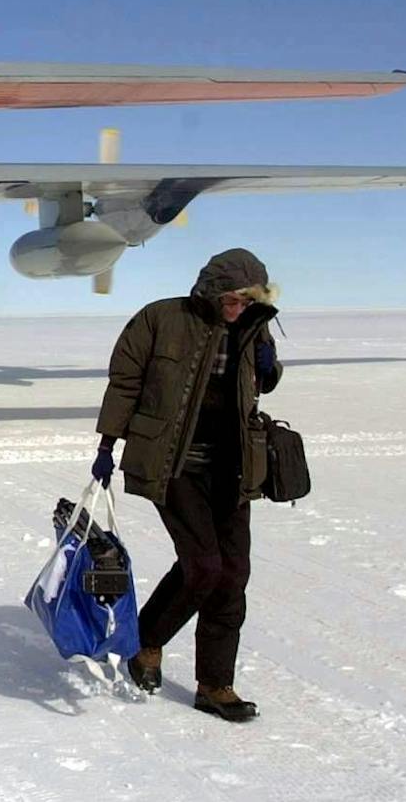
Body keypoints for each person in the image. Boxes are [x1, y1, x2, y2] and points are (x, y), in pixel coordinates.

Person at [91, 248, 283, 723]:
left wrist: (264, 357)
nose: (239, 309)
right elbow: (125, 384)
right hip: (173, 463)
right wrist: (107, 445)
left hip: (233, 468)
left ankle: (216, 685)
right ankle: (148, 641)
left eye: (248, 301)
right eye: (233, 300)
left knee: (233, 574)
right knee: (203, 566)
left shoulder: (252, 326)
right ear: (212, 292)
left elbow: (269, 382)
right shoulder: (160, 319)